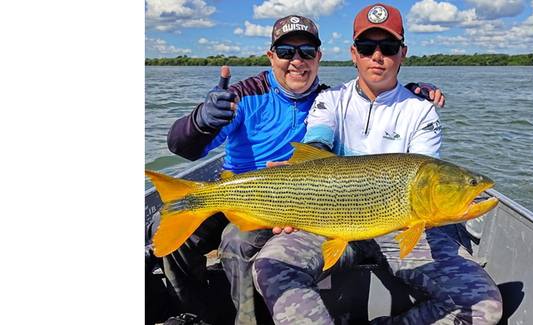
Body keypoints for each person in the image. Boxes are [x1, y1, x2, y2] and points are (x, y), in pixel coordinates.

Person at [146, 13, 447, 325]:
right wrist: (199, 121)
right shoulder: (243, 95)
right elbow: (183, 148)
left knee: (237, 242)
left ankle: (249, 320)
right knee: (160, 225)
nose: (297, 62)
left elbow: (366, 101)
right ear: (271, 56)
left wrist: (409, 91)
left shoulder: (327, 99)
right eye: (287, 52)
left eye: (306, 53)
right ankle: (197, 312)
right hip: (237, 189)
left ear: (318, 58)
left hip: (292, 198)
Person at [252, 4, 503, 325]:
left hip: (404, 228)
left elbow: (427, 182)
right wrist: (295, 186)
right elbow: (317, 144)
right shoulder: (329, 102)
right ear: (354, 53)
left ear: (403, 53)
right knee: (270, 266)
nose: (378, 55)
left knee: (483, 306)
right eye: (368, 47)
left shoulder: (421, 111)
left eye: (389, 47)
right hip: (330, 217)